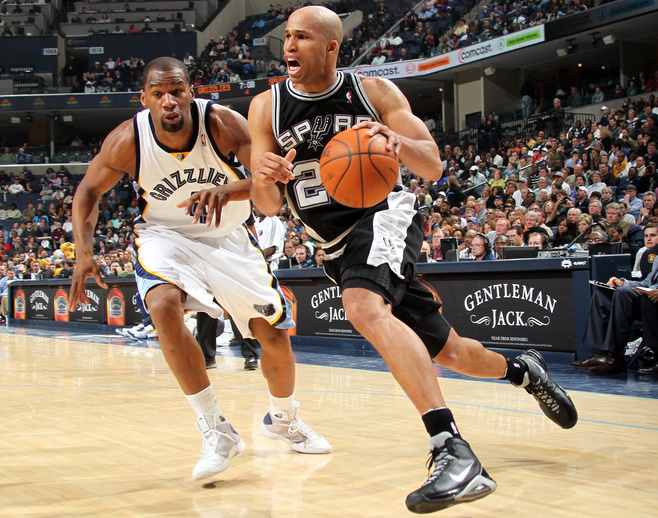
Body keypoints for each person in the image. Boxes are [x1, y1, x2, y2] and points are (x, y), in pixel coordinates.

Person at [242, 6, 577, 514]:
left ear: (331, 47)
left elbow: (433, 165)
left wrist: (399, 144)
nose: (289, 45)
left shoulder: (372, 92)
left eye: (302, 36)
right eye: (286, 36)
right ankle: (524, 371)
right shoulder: (266, 107)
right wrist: (264, 176)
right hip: (334, 245)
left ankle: (452, 449)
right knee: (453, 354)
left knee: (361, 306)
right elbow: (267, 205)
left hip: (384, 216)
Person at [68, 57, 331, 483]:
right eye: (158, 93)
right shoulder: (128, 140)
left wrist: (229, 190)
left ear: (192, 92)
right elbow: (87, 192)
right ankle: (215, 429)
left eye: (177, 91)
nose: (169, 101)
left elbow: (270, 187)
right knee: (162, 305)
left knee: (272, 336)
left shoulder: (223, 123)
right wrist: (83, 252)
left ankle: (283, 419)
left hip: (227, 236)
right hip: (166, 236)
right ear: (145, 99)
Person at [574, 255, 658, 374]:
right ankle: (599, 354)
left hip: (652, 302)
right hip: (649, 297)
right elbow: (647, 283)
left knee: (622, 294)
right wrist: (623, 283)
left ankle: (614, 358)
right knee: (602, 296)